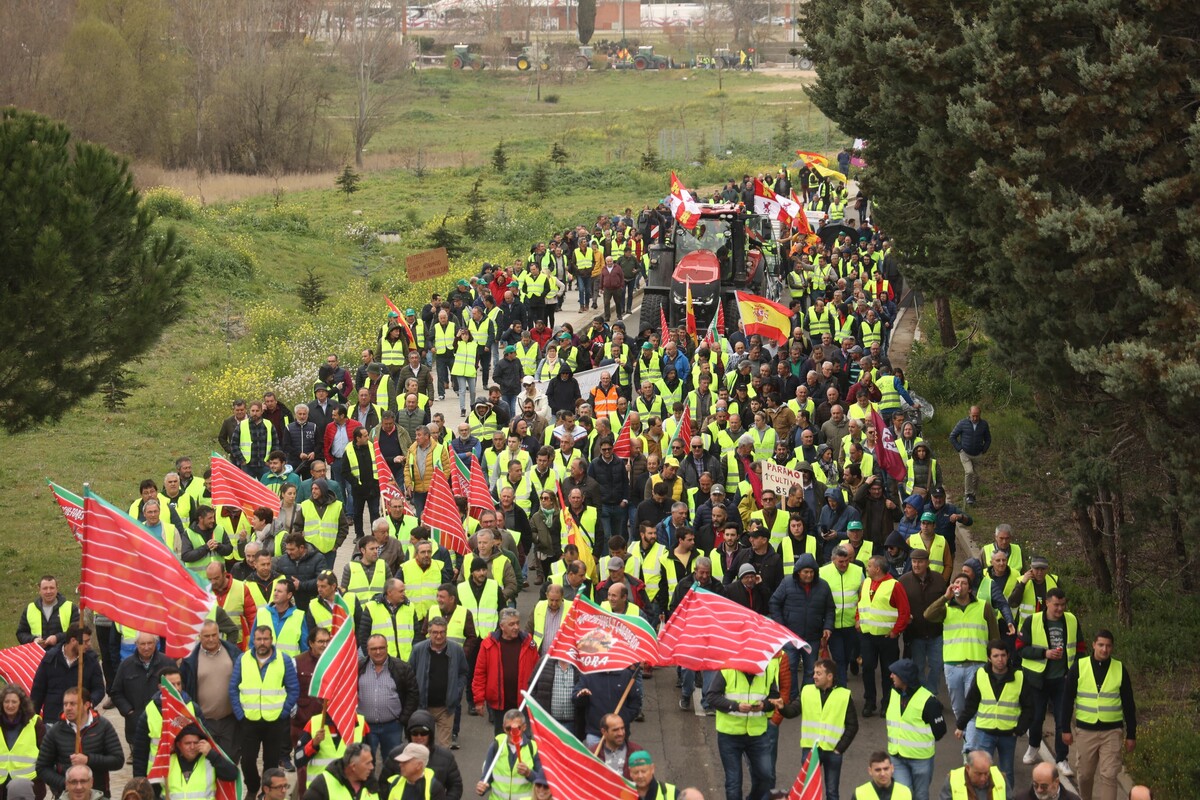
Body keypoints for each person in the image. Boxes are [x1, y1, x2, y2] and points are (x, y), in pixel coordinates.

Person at [923, 572, 999, 755]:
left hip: (977, 664)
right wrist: (945, 597)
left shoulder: (983, 607)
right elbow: (927, 615)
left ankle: (969, 750)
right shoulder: (946, 607)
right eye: (956, 582)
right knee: (959, 709)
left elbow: (994, 635)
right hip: (952, 665)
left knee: (972, 709)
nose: (959, 585)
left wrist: (995, 662)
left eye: (963, 583)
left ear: (970, 588)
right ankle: (970, 740)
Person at [1017, 588, 1084, 777]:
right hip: (1037, 679)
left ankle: (1062, 759)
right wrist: (1044, 653)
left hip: (1063, 680)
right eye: (1056, 605)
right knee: (1037, 717)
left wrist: (1074, 672)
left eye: (1063, 605)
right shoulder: (1033, 621)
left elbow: (1080, 648)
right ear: (1047, 602)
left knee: (1062, 720)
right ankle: (1033, 746)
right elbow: (1020, 649)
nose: (1060, 609)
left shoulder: (1071, 621)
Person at [1063, 630, 1137, 800]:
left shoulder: (1119, 669)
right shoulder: (1079, 667)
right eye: (1101, 645)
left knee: (1109, 776)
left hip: (1112, 732)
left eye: (1108, 646)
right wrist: (1065, 728)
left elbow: (1128, 704)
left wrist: (1131, 733)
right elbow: (1067, 699)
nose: (1104, 649)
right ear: (1094, 645)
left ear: (1112, 647)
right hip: (1085, 731)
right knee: (1085, 775)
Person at [230, 625, 300, 797]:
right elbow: (233, 688)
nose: (262, 643)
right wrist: (240, 713)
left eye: (266, 639)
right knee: (247, 761)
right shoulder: (243, 659)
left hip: (275, 722)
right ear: (254, 640)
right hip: (249, 721)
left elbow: (294, 689)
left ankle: (266, 792)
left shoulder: (283, 660)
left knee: (271, 763)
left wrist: (283, 713)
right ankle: (253, 788)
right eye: (259, 639)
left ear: (271, 640)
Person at [956, 640, 1032, 792]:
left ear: (1008, 656)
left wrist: (1020, 729)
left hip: (1008, 734)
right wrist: (960, 725)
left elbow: (1029, 707)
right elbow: (972, 702)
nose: (1000, 659)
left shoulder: (1020, 677)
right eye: (996, 655)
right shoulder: (981, 674)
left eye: (1003, 655)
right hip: (985, 732)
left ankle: (1006, 796)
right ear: (989, 658)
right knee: (982, 770)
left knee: (1007, 772)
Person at [779, 658, 857, 800]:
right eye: (814, 673)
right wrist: (782, 708)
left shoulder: (844, 696)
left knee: (832, 793)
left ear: (830, 676)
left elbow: (853, 725)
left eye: (818, 673)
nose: (814, 676)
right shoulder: (807, 691)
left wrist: (840, 749)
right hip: (810, 750)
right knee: (807, 792)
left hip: (833, 751)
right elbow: (793, 711)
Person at [706, 659, 780, 800]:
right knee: (734, 782)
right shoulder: (727, 668)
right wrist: (735, 706)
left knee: (766, 777)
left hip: (757, 734)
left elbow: (774, 697)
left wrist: (764, 705)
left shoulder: (769, 668)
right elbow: (712, 696)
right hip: (729, 735)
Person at [35, 687, 124, 798]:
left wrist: (88, 759)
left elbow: (118, 760)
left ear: (87, 705)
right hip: (66, 795)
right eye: (65, 704)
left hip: (98, 794)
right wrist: (66, 784)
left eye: (73, 704)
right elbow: (42, 767)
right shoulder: (55, 731)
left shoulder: (103, 726)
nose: (68, 708)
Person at [769, 552, 834, 691]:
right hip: (791, 636)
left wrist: (828, 627)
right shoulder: (787, 583)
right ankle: (792, 698)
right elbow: (774, 603)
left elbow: (830, 609)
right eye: (806, 572)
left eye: (812, 572)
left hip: (813, 636)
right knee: (790, 668)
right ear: (798, 572)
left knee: (811, 670)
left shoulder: (823, 586)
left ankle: (805, 698)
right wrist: (781, 626)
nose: (809, 575)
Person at [884, 659, 946, 800]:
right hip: (897, 756)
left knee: (920, 796)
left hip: (921, 759)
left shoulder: (928, 701)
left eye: (895, 674)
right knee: (903, 795)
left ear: (905, 677)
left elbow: (940, 730)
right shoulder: (893, 693)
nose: (891, 676)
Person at [179, 619, 241, 759]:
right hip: (204, 722)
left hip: (230, 721)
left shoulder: (234, 654)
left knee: (230, 761)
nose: (211, 639)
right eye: (206, 636)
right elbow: (184, 689)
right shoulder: (190, 661)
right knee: (205, 761)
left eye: (214, 635)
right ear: (199, 636)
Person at [857, 555, 910, 718]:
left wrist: (896, 631)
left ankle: (887, 703)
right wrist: (857, 619)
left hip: (887, 638)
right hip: (867, 636)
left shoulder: (894, 585)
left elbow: (904, 611)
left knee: (889, 672)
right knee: (867, 668)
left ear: (877, 569)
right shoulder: (866, 582)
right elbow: (861, 604)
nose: (867, 568)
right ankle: (869, 702)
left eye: (869, 566)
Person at [473, 609, 539, 735]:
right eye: (511, 624)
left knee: (524, 740)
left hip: (523, 703)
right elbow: (480, 673)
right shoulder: (488, 645)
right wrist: (479, 700)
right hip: (499, 705)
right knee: (501, 740)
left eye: (517, 623)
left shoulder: (528, 643)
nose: (516, 627)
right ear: (502, 626)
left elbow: (536, 671)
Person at [409, 617, 469, 749]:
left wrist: (456, 691)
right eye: (435, 632)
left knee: (444, 749)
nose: (439, 635)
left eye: (442, 632)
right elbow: (410, 675)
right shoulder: (418, 650)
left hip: (446, 708)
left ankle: (440, 770)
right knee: (422, 748)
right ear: (429, 633)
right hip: (423, 707)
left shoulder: (456, 650)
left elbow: (463, 673)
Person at [358, 634, 419, 761]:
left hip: (393, 727)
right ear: (367, 650)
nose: (378, 652)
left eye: (381, 648)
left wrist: (403, 719)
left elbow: (413, 694)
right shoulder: (357, 668)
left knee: (394, 764)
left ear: (387, 647)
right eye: (374, 649)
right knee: (365, 765)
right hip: (365, 727)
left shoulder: (402, 667)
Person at [30, 625, 105, 723]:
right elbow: (38, 691)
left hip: (80, 721)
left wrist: (89, 703)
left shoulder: (91, 662)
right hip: (53, 720)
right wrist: (32, 718)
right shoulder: (50, 659)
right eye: (85, 642)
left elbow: (99, 689)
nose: (89, 644)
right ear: (73, 640)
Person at [109, 632, 173, 746]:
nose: (146, 647)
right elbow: (116, 692)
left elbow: (178, 689)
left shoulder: (167, 663)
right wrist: (129, 711)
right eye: (142, 644)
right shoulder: (126, 665)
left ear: (156, 644)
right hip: (136, 727)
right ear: (136, 644)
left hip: (163, 726)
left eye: (150, 643)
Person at [898, 549, 947, 696]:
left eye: (920, 562)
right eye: (914, 561)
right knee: (918, 667)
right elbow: (898, 604)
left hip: (936, 632)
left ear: (927, 563)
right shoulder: (904, 581)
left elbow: (946, 603)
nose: (916, 565)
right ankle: (923, 695)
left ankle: (931, 692)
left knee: (937, 665)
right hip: (915, 633)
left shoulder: (939, 580)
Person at [475, 709, 540, 799]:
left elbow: (543, 782)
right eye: (508, 728)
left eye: (517, 728)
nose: (512, 732)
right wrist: (482, 788)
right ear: (503, 728)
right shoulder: (496, 746)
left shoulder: (533, 748)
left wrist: (529, 773)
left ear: (524, 727)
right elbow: (487, 778)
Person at [165, 725, 240, 800]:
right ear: (179, 745)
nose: (192, 747)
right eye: (187, 743)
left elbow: (232, 774)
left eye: (196, 743)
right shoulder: (168, 761)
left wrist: (211, 754)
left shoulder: (209, 759)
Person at [0, 685, 43, 798]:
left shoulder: (35, 722)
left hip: (27, 784)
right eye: (6, 701)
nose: (10, 705)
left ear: (21, 703)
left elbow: (45, 754)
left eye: (14, 702)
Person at [17, 576, 79, 649]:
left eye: (52, 588)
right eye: (45, 588)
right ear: (39, 590)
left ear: (57, 589)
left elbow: (78, 631)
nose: (48, 591)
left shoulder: (71, 607)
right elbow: (21, 633)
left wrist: (57, 638)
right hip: (38, 655)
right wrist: (33, 640)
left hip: (63, 655)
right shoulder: (30, 609)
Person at [302, 742, 377, 800]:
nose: (372, 767)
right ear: (353, 766)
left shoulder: (372, 784)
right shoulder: (323, 784)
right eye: (368, 763)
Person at [948, 406, 990, 506]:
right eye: (973, 416)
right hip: (965, 453)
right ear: (969, 414)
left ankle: (973, 495)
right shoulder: (962, 423)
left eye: (977, 416)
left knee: (977, 475)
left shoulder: (984, 424)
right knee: (969, 471)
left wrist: (984, 449)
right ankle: (968, 494)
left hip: (977, 453)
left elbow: (988, 438)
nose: (975, 418)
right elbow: (952, 436)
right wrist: (959, 448)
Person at [936, 751, 1005, 800]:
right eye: (978, 774)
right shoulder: (953, 780)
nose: (983, 778)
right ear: (967, 768)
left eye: (986, 773)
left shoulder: (1000, 778)